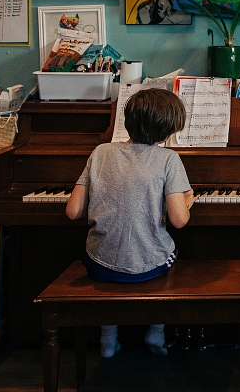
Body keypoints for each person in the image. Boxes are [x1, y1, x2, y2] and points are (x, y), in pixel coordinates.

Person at [66, 88, 199, 357]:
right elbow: (178, 221)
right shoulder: (168, 159)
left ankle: (108, 339)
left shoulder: (100, 152)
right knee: (170, 253)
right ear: (166, 130)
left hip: (98, 264)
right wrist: (187, 200)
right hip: (148, 269)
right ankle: (156, 332)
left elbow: (72, 211)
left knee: (106, 257)